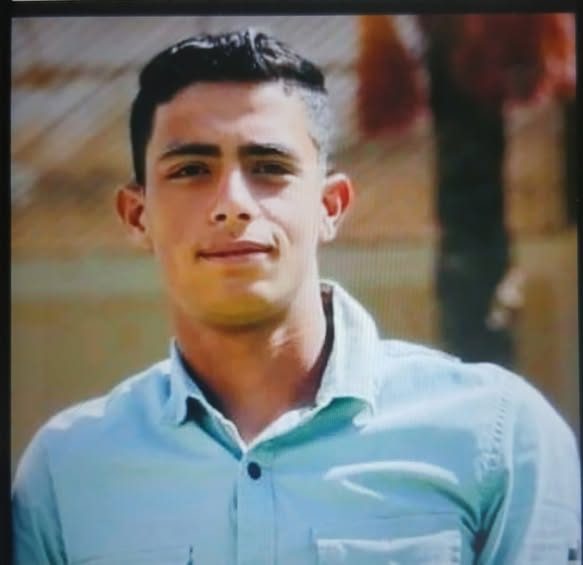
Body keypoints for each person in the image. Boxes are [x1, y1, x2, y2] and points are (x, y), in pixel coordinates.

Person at [12, 29, 580, 565]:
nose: (232, 204)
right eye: (190, 169)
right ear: (138, 216)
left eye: (269, 167)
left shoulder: (498, 437)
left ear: (330, 207)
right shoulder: (66, 471)